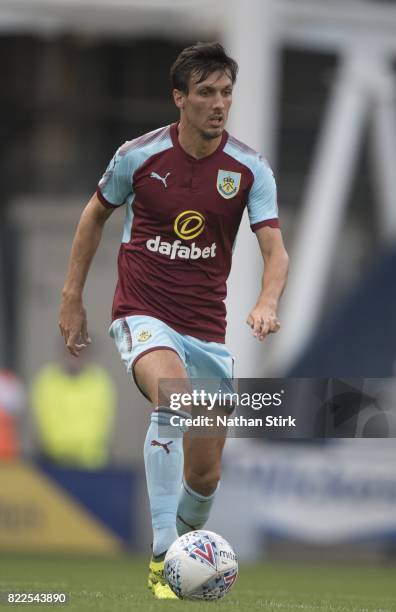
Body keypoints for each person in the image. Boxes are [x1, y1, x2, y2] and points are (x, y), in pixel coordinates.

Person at [59, 42, 289, 599]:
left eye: (226, 93)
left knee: (206, 474)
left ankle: (187, 552)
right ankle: (163, 556)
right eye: (206, 93)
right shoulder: (138, 156)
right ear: (179, 98)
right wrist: (72, 295)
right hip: (142, 313)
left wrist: (266, 303)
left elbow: (275, 251)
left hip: (207, 329)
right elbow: (94, 216)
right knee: (173, 395)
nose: (218, 104)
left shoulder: (250, 169)